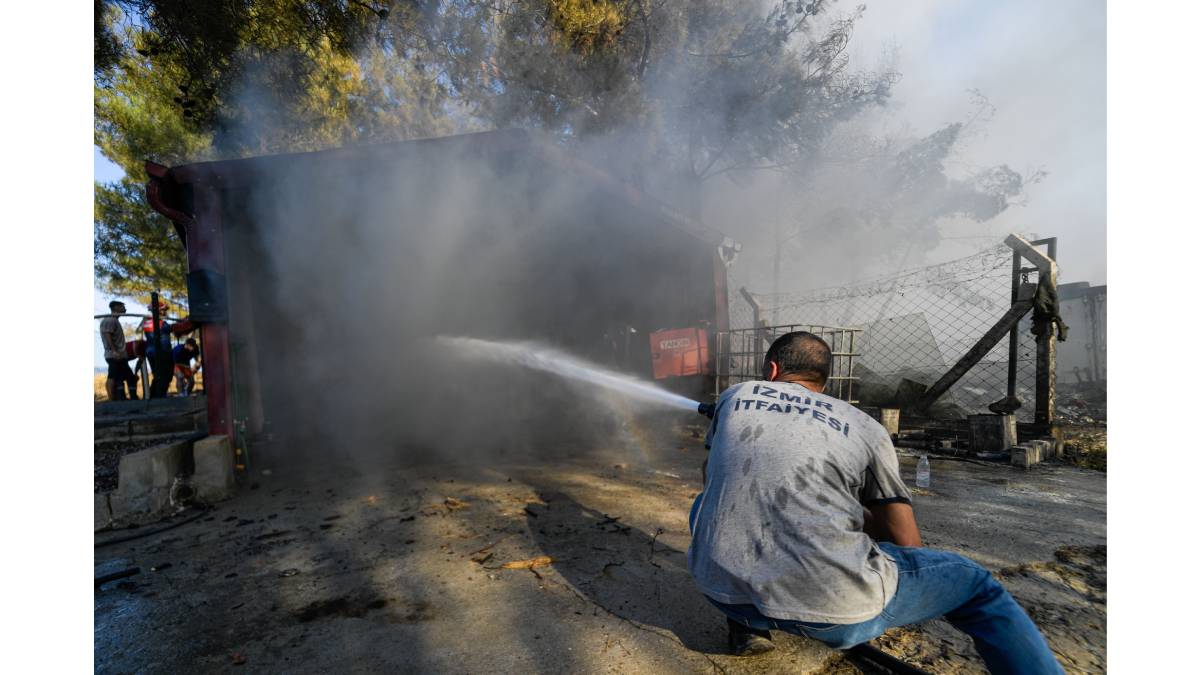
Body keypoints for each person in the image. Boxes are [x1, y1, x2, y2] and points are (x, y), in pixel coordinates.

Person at [688, 331, 1063, 674]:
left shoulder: (735, 397)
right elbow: (906, 541)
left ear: (771, 370)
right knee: (977, 585)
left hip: (721, 591)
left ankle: (748, 628)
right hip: (839, 615)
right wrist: (843, 512)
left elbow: (715, 480)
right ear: (826, 380)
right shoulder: (867, 427)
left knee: (704, 505)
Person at [100, 300, 138, 400]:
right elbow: (107, 335)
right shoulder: (110, 320)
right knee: (112, 377)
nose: (125, 308)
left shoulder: (115, 320)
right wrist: (114, 351)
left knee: (130, 377)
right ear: (116, 307)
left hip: (121, 356)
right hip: (114, 356)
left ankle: (128, 398)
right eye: (122, 306)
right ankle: (112, 400)